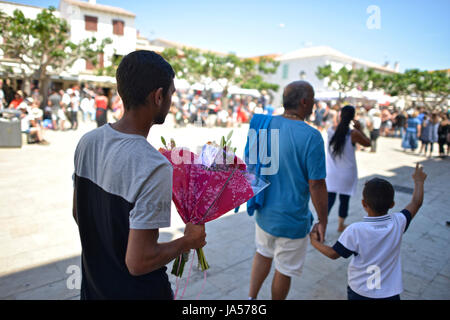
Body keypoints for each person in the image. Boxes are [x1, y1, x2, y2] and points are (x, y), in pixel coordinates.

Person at [72, 50, 206, 300]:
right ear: (158, 96)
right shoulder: (153, 166)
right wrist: (188, 241)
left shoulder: (87, 142)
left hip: (93, 289)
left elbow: (78, 213)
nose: (171, 101)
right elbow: (139, 262)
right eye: (171, 94)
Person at [247, 81, 328, 300]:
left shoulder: (262, 124)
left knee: (262, 253)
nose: (314, 104)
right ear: (304, 102)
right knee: (284, 269)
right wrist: (322, 219)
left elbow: (251, 163)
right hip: (292, 218)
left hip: (264, 210)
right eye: (312, 100)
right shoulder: (311, 136)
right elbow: (317, 184)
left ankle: (250, 300)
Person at [310, 164, 427, 300]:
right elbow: (416, 202)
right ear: (392, 204)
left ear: (364, 204)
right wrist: (419, 181)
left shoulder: (355, 230)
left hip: (359, 292)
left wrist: (313, 241)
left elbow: (333, 253)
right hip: (390, 293)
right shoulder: (399, 222)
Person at [326, 105, 371, 232]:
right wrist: (360, 129)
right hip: (347, 173)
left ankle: (321, 226)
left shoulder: (330, 130)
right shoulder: (353, 134)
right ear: (353, 117)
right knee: (344, 200)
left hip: (332, 173)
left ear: (340, 115)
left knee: (329, 200)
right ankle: (340, 225)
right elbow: (368, 143)